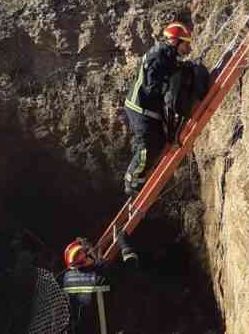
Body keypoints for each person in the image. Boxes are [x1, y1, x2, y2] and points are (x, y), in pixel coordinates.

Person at [123, 22, 193, 196]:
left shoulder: (167, 55)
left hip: (148, 108)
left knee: (160, 141)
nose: (188, 48)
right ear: (175, 41)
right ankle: (131, 180)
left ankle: (141, 176)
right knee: (147, 144)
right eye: (186, 43)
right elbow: (151, 85)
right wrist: (169, 89)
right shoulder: (159, 56)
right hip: (139, 107)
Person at [61, 234, 138, 334]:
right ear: (86, 255)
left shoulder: (67, 278)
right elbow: (131, 266)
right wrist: (124, 245)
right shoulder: (103, 273)